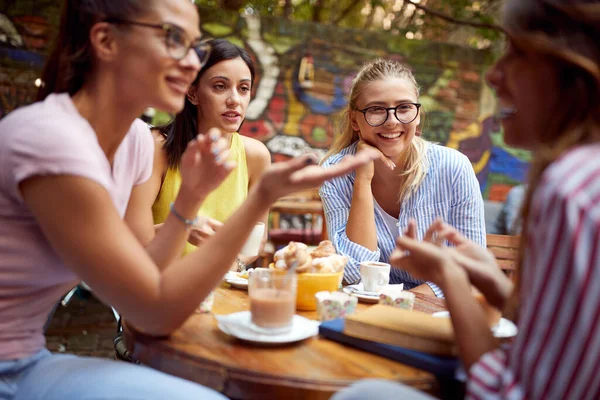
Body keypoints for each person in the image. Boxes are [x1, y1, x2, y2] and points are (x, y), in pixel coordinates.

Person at [0, 0, 377, 399]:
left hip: (28, 355)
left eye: (194, 47)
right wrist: (259, 198)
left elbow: (145, 273)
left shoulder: (129, 144)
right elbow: (151, 311)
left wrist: (190, 200)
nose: (189, 63)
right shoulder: (52, 141)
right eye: (174, 39)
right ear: (106, 41)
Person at [333, 0, 600, 398]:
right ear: (355, 119)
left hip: (441, 340)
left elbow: (511, 392)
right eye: (376, 111)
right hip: (403, 322)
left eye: (516, 53)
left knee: (361, 394)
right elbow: (560, 328)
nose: (493, 74)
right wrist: (493, 283)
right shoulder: (581, 178)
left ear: (567, 71)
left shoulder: (569, 193)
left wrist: (450, 277)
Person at [320, 59, 485, 297]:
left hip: (436, 312)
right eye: (376, 109)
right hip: (366, 314)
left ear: (417, 115)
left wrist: (403, 303)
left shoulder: (453, 167)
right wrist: (362, 180)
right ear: (355, 120)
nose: (393, 121)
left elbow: (471, 269)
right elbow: (354, 273)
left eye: (404, 107)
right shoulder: (335, 173)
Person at [150, 38, 271, 270]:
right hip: (157, 290)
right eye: (219, 86)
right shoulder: (157, 148)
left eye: (243, 88)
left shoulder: (256, 156)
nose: (235, 99)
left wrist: (229, 268)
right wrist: (181, 227)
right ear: (192, 93)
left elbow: (257, 238)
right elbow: (131, 240)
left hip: (220, 288)